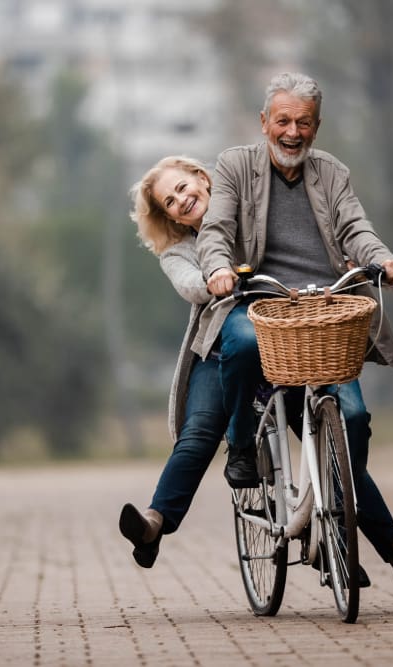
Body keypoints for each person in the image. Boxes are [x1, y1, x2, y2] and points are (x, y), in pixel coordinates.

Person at [196, 72, 393, 593]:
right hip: (262, 306)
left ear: (318, 126)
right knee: (241, 341)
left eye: (305, 122)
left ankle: (360, 536)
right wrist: (219, 269)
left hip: (324, 312)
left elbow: (355, 228)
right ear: (264, 122)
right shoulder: (234, 166)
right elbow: (216, 231)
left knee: (354, 417)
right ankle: (242, 446)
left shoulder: (332, 173)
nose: (293, 132)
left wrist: (381, 258)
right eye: (284, 121)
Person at [118, 156, 229, 568]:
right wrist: (213, 280)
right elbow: (189, 286)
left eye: (183, 187)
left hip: (281, 343)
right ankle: (152, 522)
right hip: (214, 351)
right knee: (197, 432)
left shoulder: (245, 217)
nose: (181, 200)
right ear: (170, 217)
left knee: (332, 428)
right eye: (170, 201)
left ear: (201, 178)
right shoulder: (178, 253)